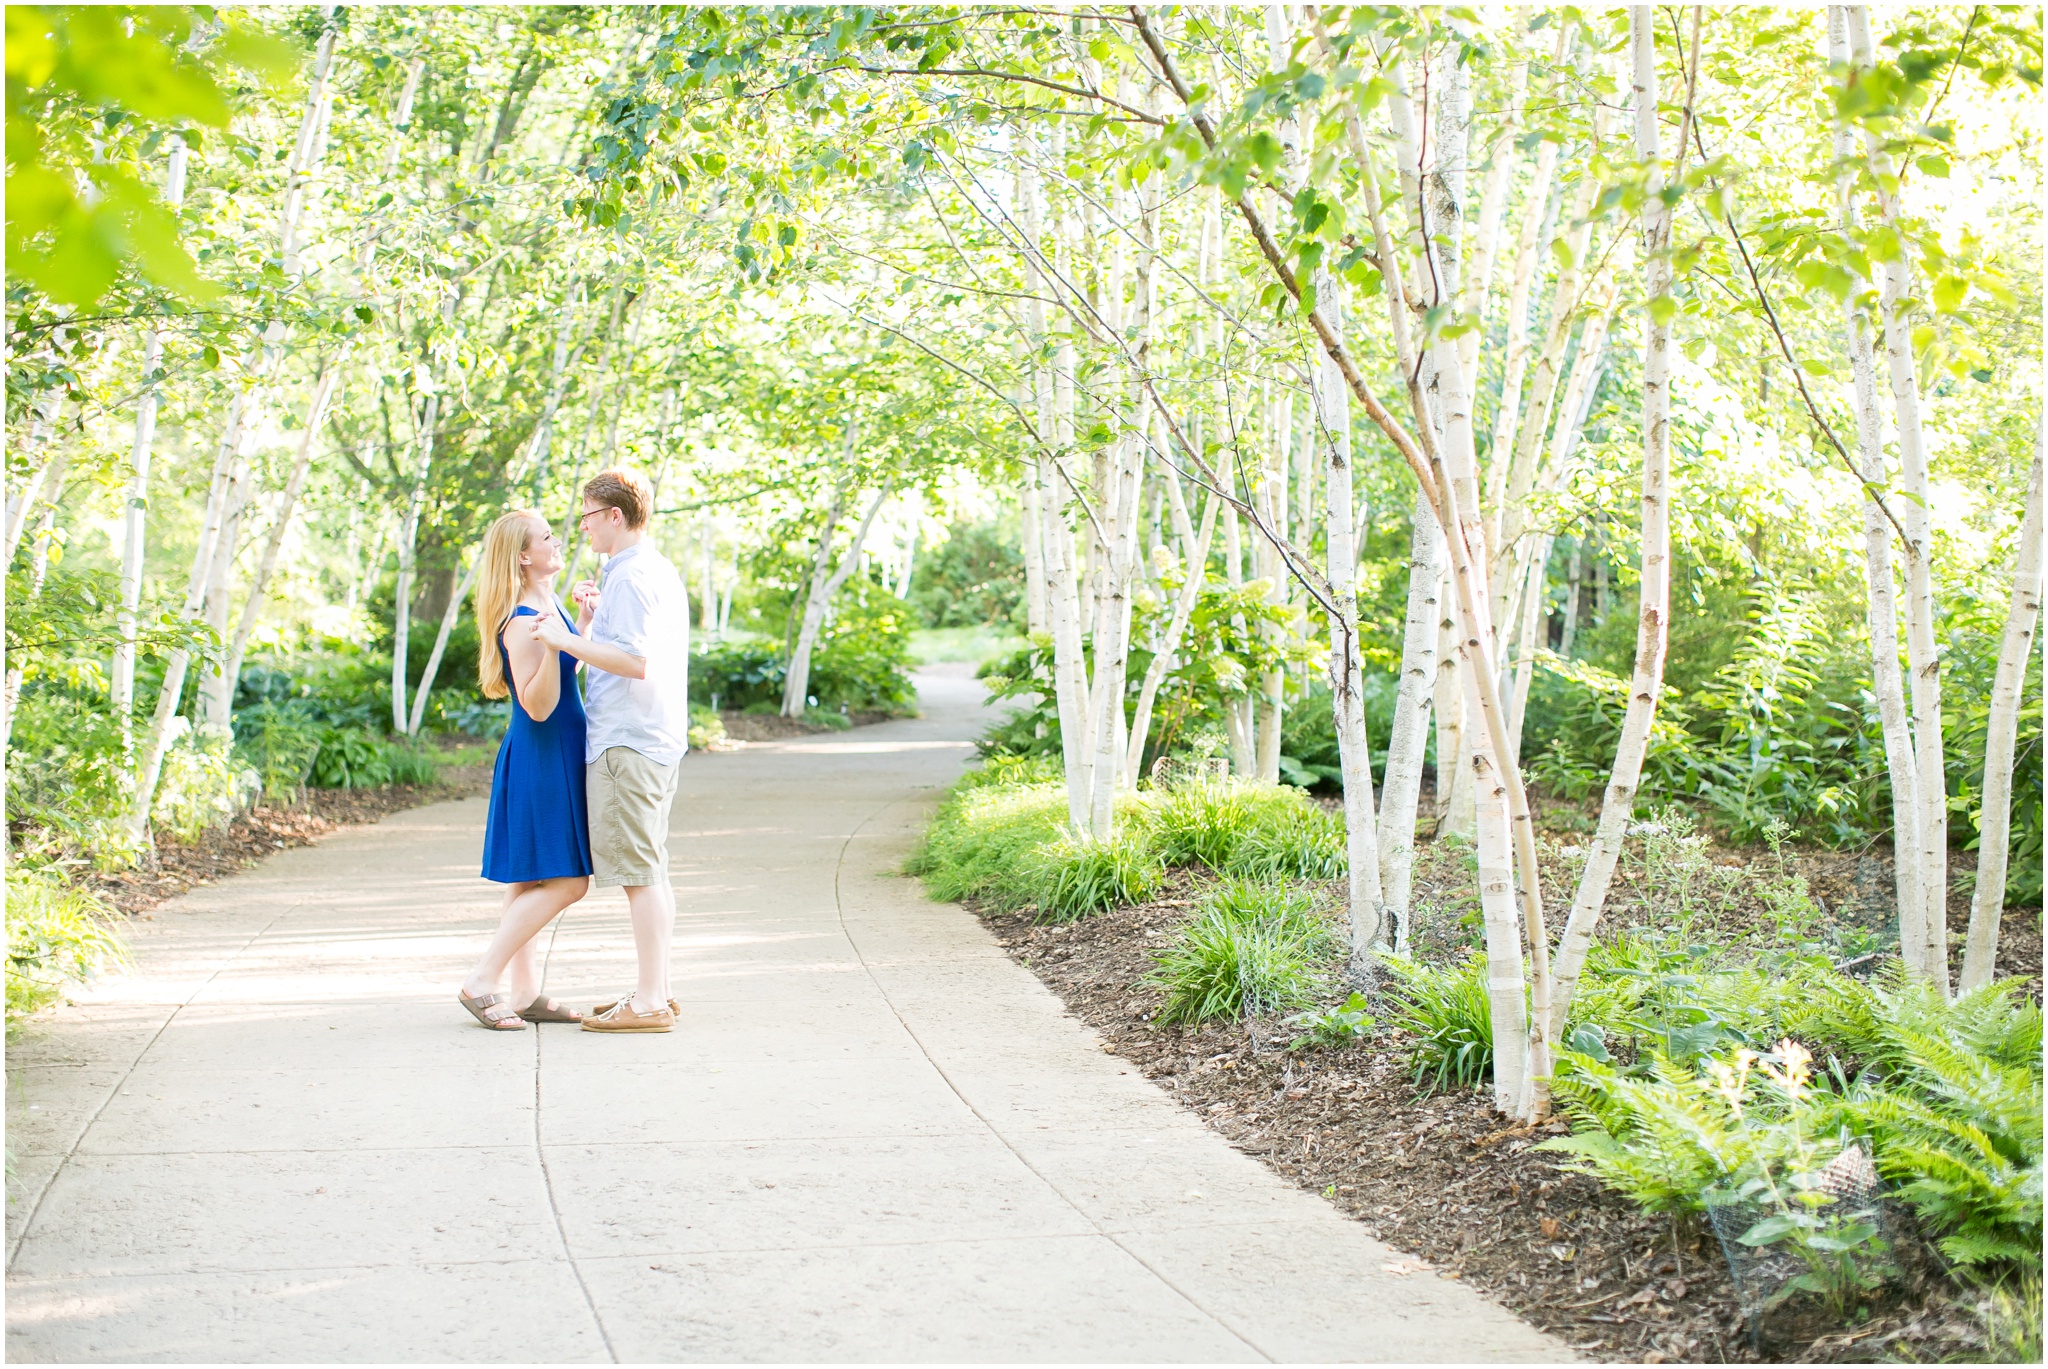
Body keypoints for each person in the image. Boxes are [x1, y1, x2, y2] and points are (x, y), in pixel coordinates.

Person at [533, 467, 691, 1033]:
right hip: (651, 737)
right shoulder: (650, 570)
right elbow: (632, 650)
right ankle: (658, 990)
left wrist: (565, 638)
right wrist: (592, 622)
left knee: (640, 875)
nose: (582, 527)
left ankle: (648, 1001)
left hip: (627, 741)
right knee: (651, 870)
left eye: (587, 517)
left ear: (614, 516)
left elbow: (635, 662)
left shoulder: (630, 576)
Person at [458, 510, 592, 1030]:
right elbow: (537, 704)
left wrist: (579, 628)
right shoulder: (521, 621)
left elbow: (560, 668)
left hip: (552, 748)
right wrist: (556, 638)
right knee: (569, 882)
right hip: (542, 752)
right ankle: (480, 981)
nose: (556, 543)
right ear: (522, 555)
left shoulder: (544, 605)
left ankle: (525, 991)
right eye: (546, 538)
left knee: (528, 877)